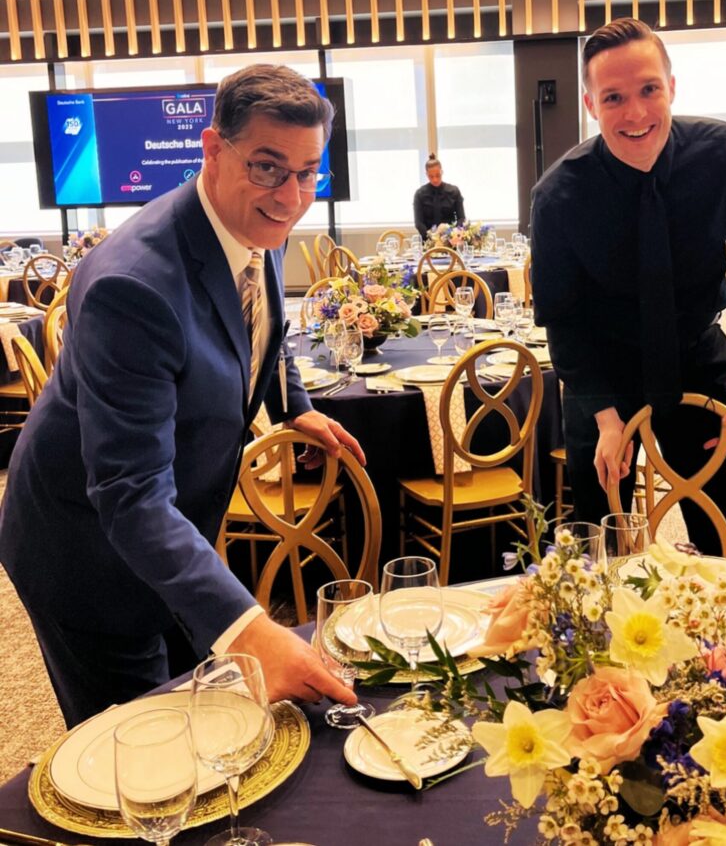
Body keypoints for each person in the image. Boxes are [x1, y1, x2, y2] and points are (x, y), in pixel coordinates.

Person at [0, 64, 365, 727]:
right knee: (141, 743)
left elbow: (260, 326)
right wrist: (252, 630)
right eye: (268, 168)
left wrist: (295, 406)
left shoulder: (255, 221)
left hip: (173, 526)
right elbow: (131, 496)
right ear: (213, 149)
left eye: (309, 172)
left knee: (202, 701)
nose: (292, 196)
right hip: (87, 550)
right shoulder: (133, 287)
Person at [530, 18, 726, 554]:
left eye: (649, 89)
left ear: (671, 86)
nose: (636, 113)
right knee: (602, 541)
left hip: (696, 354)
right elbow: (563, 318)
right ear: (590, 104)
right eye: (614, 97)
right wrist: (606, 418)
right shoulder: (558, 196)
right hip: (602, 373)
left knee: (720, 527)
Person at [413, 153, 465, 240]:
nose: (435, 179)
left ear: (442, 172)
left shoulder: (454, 191)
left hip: (451, 240)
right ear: (426, 174)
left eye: (438, 175)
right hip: (428, 241)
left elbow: (461, 218)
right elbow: (418, 223)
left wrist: (454, 235)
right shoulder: (419, 194)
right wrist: (431, 238)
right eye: (431, 176)